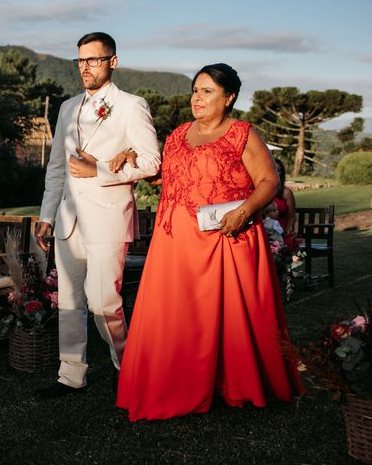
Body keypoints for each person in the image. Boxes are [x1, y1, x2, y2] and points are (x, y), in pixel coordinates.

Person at [116, 63, 305, 421]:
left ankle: (232, 383)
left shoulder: (243, 134)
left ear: (229, 97)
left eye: (207, 92)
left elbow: (268, 182)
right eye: (195, 91)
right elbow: (166, 177)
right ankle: (177, 378)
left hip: (227, 237)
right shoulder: (177, 135)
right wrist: (135, 159)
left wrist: (245, 211)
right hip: (176, 240)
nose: (197, 99)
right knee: (178, 314)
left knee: (227, 316)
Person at [34, 32, 161, 399]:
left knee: (104, 300)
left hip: (108, 217)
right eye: (80, 61)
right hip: (68, 220)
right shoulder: (67, 107)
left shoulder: (131, 105)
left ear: (113, 61)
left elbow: (153, 162)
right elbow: (57, 167)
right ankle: (71, 373)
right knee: (70, 301)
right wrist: (47, 214)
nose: (85, 67)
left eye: (93, 60)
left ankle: (129, 364)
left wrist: (101, 170)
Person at [273, 158, 298, 251]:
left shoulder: (286, 192)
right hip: (266, 230)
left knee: (284, 246)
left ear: (281, 173)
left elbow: (292, 216)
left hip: (282, 231)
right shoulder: (260, 191)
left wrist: (287, 230)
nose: (276, 173)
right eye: (273, 169)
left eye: (278, 170)